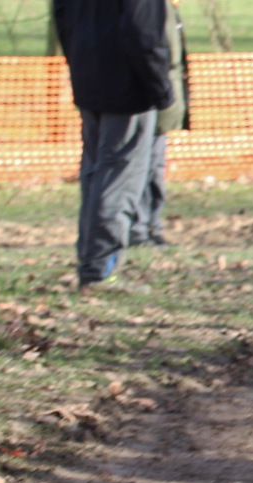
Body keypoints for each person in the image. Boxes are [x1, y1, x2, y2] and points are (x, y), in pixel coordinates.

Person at [53, 0, 173, 289]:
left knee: (95, 175)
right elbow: (144, 31)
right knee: (119, 180)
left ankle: (91, 262)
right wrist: (161, 88)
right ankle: (101, 270)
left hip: (89, 78)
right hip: (129, 89)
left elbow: (62, 17)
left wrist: (78, 64)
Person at [131, 0, 189, 250]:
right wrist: (162, 93)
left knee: (154, 166)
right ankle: (139, 228)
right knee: (144, 167)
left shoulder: (169, 7)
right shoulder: (155, 7)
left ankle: (150, 226)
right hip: (154, 95)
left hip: (163, 95)